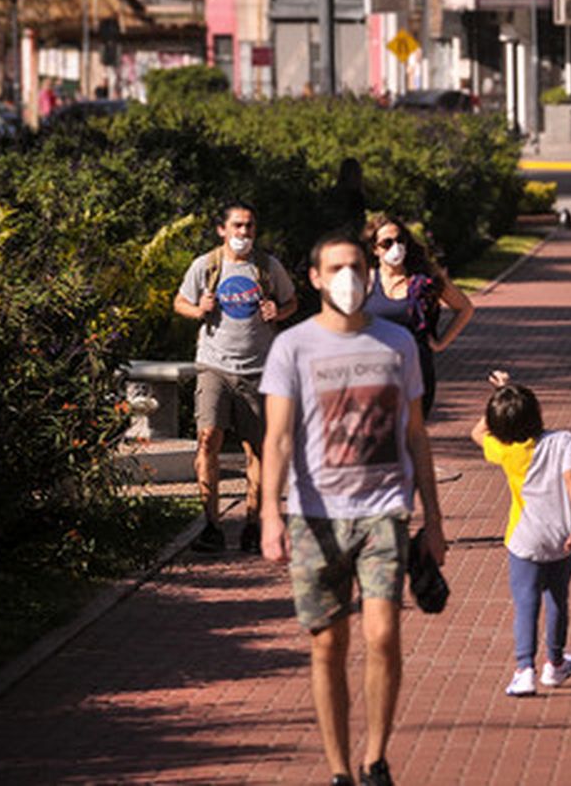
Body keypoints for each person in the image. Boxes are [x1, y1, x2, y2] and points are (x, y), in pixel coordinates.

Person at [259, 230, 448, 786]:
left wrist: (433, 519)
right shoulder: (292, 347)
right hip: (315, 515)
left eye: (357, 267)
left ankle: (375, 758)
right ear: (314, 278)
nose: (350, 278)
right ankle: (340, 768)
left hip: (384, 511)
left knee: (383, 634)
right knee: (328, 644)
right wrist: (270, 513)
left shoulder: (398, 343)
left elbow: (416, 434)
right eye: (336, 267)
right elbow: (277, 439)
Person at [173, 202, 298, 554]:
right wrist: (198, 309)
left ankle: (253, 523)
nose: (244, 233)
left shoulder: (268, 267)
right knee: (208, 437)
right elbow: (179, 302)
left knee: (256, 449)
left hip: (259, 368)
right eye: (238, 226)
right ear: (222, 229)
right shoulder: (206, 265)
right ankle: (211, 525)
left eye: (250, 227)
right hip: (214, 365)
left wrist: (279, 310)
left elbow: (292, 302)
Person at [469, 370, 571, 698]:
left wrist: (500, 396)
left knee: (526, 602)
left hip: (523, 537)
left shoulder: (506, 452)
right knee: (557, 598)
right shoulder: (563, 441)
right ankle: (556, 662)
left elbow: (478, 432)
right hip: (561, 535)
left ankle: (524, 669)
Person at [362, 214, 475, 419]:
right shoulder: (366, 281)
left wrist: (441, 343)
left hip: (415, 372)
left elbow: (465, 308)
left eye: (400, 240)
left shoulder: (425, 278)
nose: (395, 247)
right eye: (387, 243)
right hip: (375, 375)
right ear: (375, 249)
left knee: (409, 439)